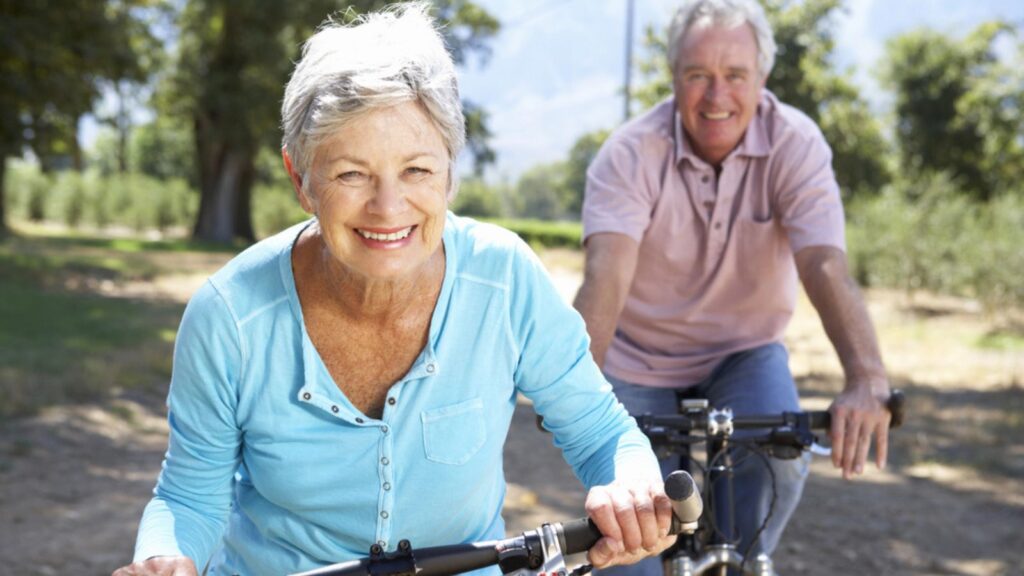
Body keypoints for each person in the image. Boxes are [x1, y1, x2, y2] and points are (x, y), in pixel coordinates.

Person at [112, 4, 676, 575]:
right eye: (351, 174)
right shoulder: (228, 316)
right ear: (299, 178)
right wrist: (165, 558)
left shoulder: (505, 278)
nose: (388, 208)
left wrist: (630, 483)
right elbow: (188, 496)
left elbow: (602, 433)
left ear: (451, 172)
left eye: (417, 171)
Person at [574, 0, 892, 571]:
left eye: (735, 76)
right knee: (634, 534)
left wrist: (866, 378)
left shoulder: (796, 144)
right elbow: (607, 273)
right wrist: (573, 392)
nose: (716, 96)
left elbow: (824, 263)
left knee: (781, 458)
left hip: (743, 353)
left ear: (762, 78)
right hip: (636, 358)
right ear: (673, 78)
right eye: (698, 76)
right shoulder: (629, 153)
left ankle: (739, 563)